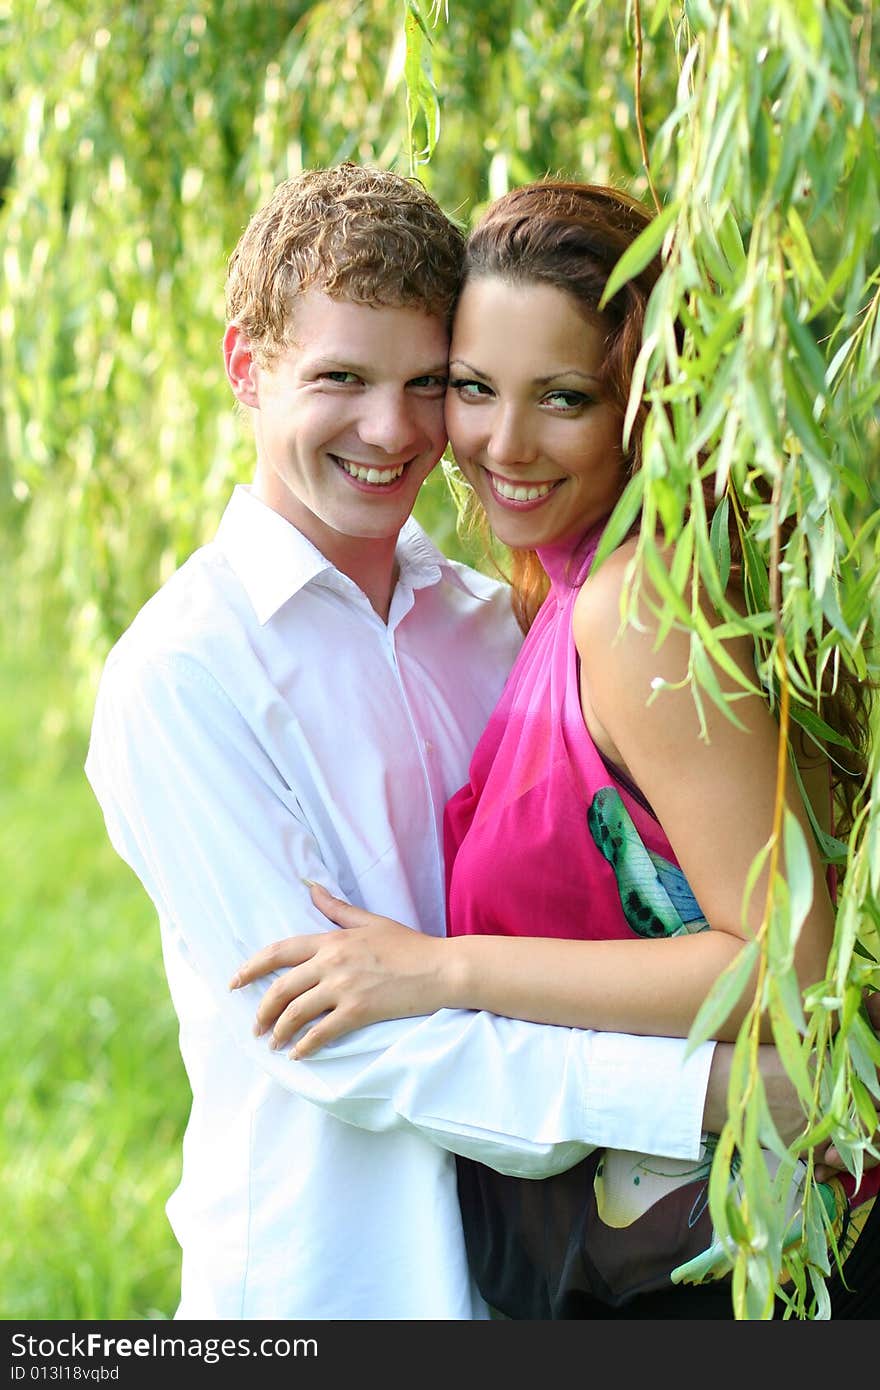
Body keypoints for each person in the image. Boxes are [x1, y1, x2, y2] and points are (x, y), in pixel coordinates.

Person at [84, 164, 759, 1322]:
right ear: (247, 368)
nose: (393, 429)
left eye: (426, 382)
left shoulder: (490, 620)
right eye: (340, 377)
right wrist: (708, 1090)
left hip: (557, 1273)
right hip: (339, 1278)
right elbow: (347, 1045)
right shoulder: (184, 675)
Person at [232, 180, 880, 1319]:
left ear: (640, 403)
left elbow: (781, 962)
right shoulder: (553, 586)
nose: (501, 444)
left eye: (564, 398)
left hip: (727, 1258)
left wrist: (445, 970)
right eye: (472, 390)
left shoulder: (636, 606)